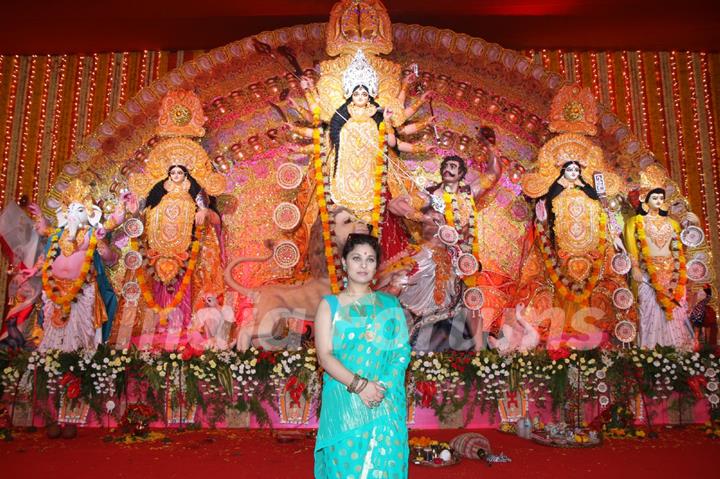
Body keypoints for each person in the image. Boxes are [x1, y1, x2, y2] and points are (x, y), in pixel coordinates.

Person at [314, 233, 410, 478]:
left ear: (377, 266)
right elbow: (325, 356)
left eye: (370, 259)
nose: (363, 265)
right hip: (345, 405)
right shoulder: (330, 306)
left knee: (385, 468)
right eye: (356, 258)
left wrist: (380, 388)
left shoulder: (390, 305)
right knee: (345, 469)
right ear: (345, 263)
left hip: (384, 400)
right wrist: (360, 386)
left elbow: (401, 351)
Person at [625, 187, 695, 350]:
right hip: (648, 273)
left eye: (661, 198)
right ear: (645, 200)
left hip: (672, 273)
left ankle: (677, 350)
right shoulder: (635, 222)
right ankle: (649, 351)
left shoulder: (672, 223)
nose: (658, 201)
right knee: (648, 310)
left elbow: (679, 248)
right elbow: (631, 248)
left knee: (676, 311)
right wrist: (634, 267)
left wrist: (692, 227)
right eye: (654, 197)